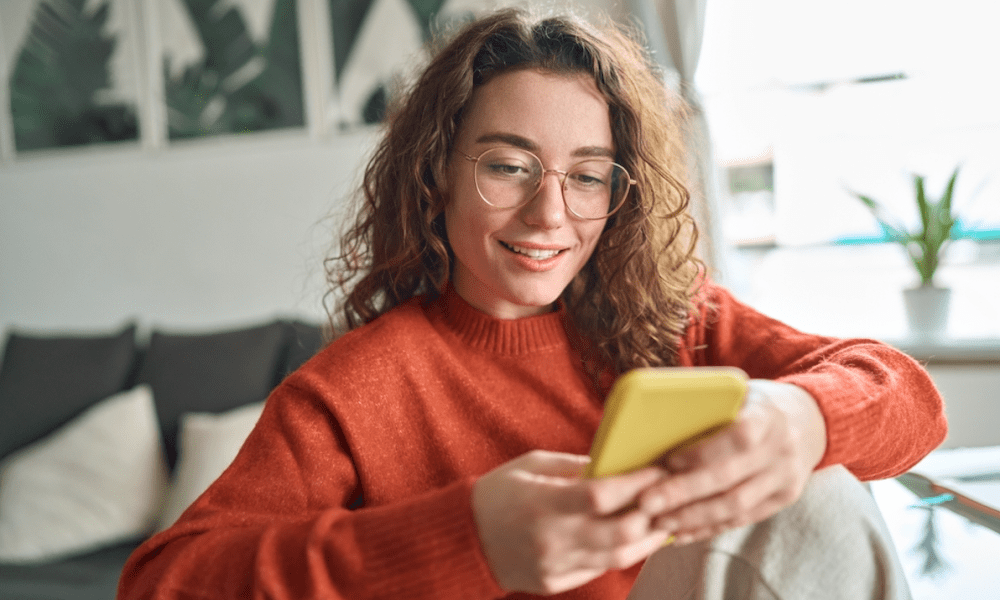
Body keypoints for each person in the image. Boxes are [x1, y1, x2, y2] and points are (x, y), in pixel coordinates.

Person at [118, 7, 946, 600]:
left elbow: (908, 398)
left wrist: (802, 420)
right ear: (438, 171)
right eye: (509, 166)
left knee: (821, 485)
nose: (550, 215)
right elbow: (163, 583)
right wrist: (468, 540)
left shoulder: (678, 321)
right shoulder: (350, 394)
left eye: (587, 176)